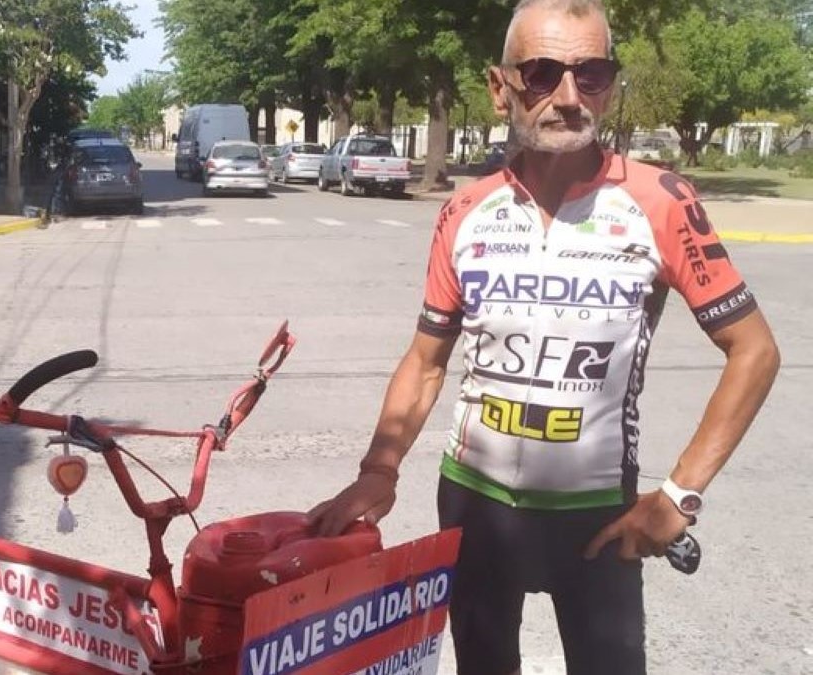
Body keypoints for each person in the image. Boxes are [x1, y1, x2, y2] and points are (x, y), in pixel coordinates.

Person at [307, 1, 781, 674]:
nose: (568, 96)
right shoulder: (465, 211)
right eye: (543, 73)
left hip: (596, 515)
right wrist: (378, 470)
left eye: (591, 75)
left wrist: (679, 494)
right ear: (501, 86)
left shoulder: (662, 201)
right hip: (473, 501)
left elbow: (755, 349)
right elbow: (426, 359)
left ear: (611, 86)